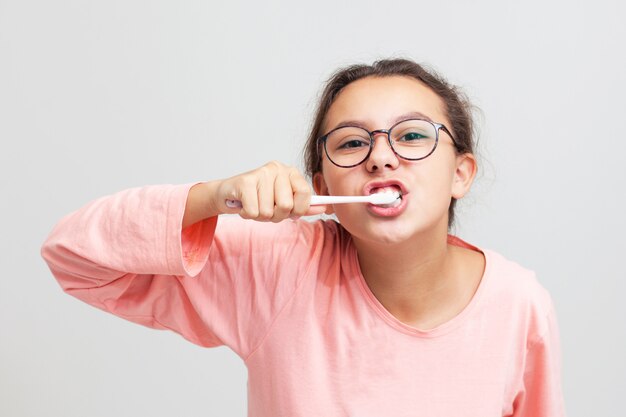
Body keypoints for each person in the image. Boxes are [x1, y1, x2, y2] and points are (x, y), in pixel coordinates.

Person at [41, 58, 565, 416]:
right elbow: (73, 256)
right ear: (321, 187)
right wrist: (212, 197)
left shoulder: (520, 305)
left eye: (411, 135)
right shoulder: (278, 268)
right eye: (352, 142)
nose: (380, 156)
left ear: (461, 174)